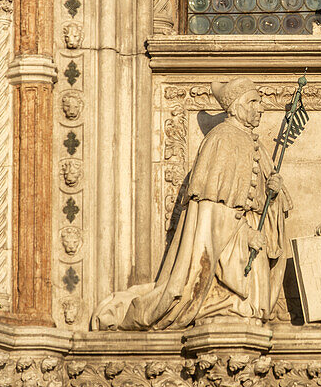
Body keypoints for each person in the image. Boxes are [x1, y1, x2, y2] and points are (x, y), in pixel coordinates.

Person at [92, 77, 292, 329]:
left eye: (260, 102)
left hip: (251, 238)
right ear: (237, 106)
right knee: (232, 307)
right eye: (253, 101)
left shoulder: (256, 144)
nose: (260, 108)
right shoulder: (221, 140)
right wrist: (246, 236)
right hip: (231, 243)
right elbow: (211, 215)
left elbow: (262, 203)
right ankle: (220, 305)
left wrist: (272, 196)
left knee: (254, 308)